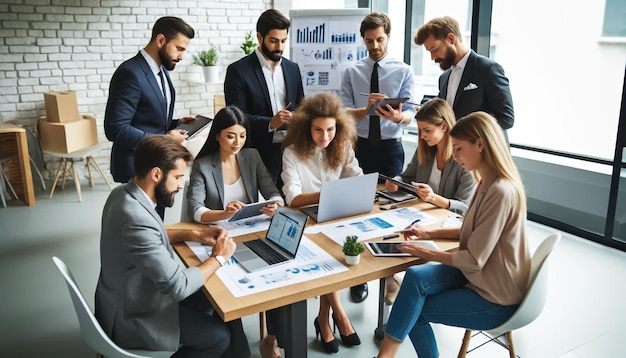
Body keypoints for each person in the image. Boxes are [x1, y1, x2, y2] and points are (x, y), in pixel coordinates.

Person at [376, 112, 530, 358]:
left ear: (480, 144)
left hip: (494, 296)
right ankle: (385, 356)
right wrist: (428, 232)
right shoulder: (486, 181)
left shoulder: (500, 191)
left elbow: (473, 259)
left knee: (416, 313)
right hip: (479, 275)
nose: (454, 156)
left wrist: (426, 251)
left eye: (458, 149)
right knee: (415, 275)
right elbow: (472, 232)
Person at [95, 135, 250, 358]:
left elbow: (152, 233)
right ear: (156, 174)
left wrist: (197, 233)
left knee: (218, 292)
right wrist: (218, 257)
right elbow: (178, 286)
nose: (180, 185)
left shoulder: (124, 195)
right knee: (218, 337)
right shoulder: (136, 219)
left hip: (129, 295)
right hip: (135, 315)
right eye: (177, 177)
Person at [186, 105, 286, 358]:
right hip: (219, 238)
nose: (237, 142)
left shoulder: (251, 156)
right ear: (218, 135)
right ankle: (237, 345)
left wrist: (276, 204)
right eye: (231, 136)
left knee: (277, 276)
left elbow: (272, 190)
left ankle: (274, 338)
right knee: (230, 290)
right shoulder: (203, 164)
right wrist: (223, 214)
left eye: (242, 135)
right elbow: (196, 209)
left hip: (251, 233)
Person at [340, 12, 417, 303]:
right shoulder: (352, 71)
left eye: (380, 39)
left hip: (390, 146)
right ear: (363, 39)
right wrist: (365, 110)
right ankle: (358, 273)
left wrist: (398, 117)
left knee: (391, 212)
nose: (375, 46)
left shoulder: (403, 70)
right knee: (358, 210)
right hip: (360, 146)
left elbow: (412, 114)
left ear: (388, 36)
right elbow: (343, 112)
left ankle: (389, 275)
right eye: (370, 41)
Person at [281, 92, 362, 353]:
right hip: (304, 222)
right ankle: (339, 315)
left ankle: (324, 319)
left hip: (335, 217)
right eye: (318, 130)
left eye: (330, 130)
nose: (325, 136)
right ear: (306, 127)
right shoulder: (292, 153)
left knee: (334, 258)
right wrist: (330, 192)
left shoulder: (342, 147)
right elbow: (292, 198)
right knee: (328, 258)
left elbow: (357, 177)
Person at [381, 98, 476, 304]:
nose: (422, 137)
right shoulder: (425, 150)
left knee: (403, 240)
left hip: (447, 224)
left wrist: (434, 198)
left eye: (427, 130)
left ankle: (403, 285)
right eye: (420, 131)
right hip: (422, 215)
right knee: (387, 234)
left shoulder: (464, 158)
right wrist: (395, 182)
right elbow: (405, 176)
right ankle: (389, 277)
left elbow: (466, 207)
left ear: (444, 126)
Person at [105, 16, 196, 184]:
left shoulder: (162, 71)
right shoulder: (130, 73)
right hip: (136, 169)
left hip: (158, 165)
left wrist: (175, 124)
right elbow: (116, 129)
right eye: (179, 48)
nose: (182, 56)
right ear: (160, 40)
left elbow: (147, 119)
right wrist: (165, 140)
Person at [224, 9, 305, 187]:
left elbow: (301, 106)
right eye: (274, 41)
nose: (280, 47)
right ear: (260, 38)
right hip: (258, 152)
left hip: (292, 149)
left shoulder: (293, 69)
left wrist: (297, 118)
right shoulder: (238, 71)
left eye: (283, 41)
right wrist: (270, 123)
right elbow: (236, 118)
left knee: (292, 205)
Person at [414, 16, 515, 144]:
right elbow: (446, 115)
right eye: (429, 52)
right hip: (457, 156)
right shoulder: (443, 78)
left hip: (486, 155)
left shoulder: (488, 69)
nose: (433, 57)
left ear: (451, 39)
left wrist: (467, 133)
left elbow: (506, 118)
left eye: (434, 49)